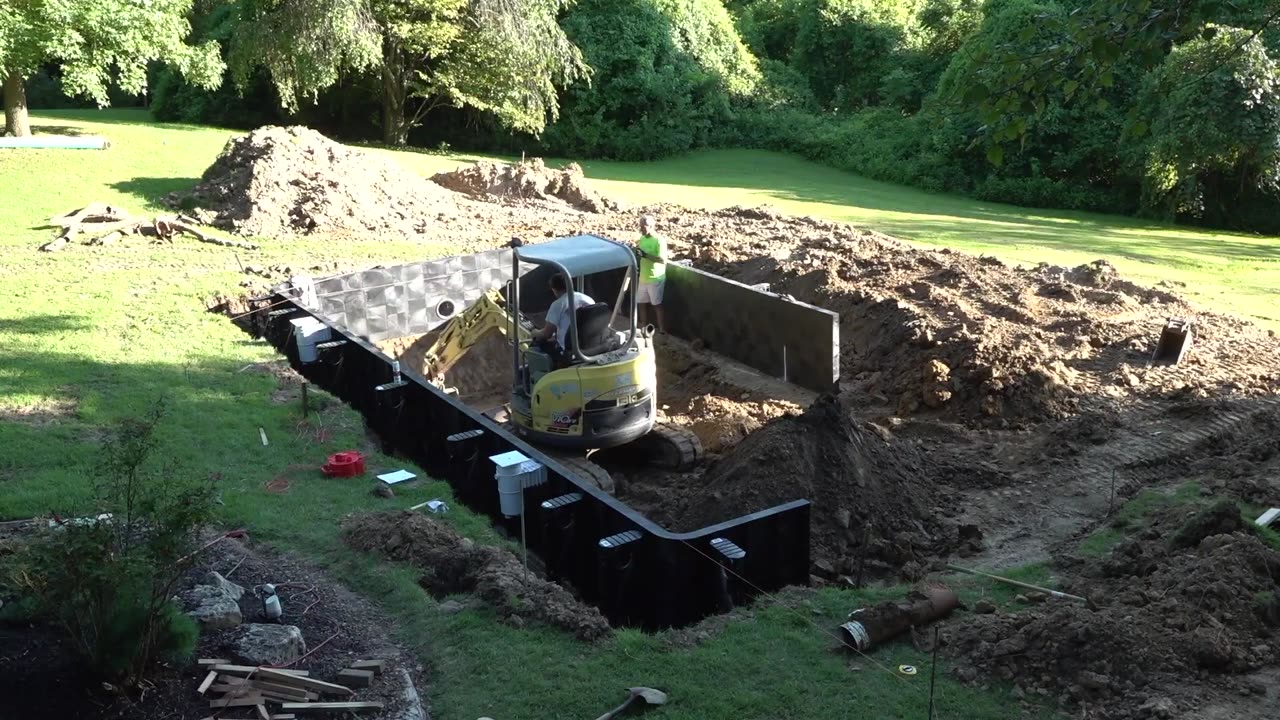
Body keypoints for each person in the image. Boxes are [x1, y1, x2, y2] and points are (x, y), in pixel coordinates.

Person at [532, 273, 594, 366]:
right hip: (588, 344)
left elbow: (546, 334)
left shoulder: (558, 304)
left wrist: (534, 332)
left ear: (554, 289)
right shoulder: (587, 299)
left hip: (569, 349)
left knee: (536, 345)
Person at [635, 215, 669, 333]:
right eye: (640, 227)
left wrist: (645, 256)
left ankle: (662, 330)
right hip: (643, 277)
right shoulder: (642, 239)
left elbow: (662, 260)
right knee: (641, 303)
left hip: (655, 278)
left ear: (651, 226)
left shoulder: (659, 240)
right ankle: (644, 327)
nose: (641, 229)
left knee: (656, 304)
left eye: (643, 227)